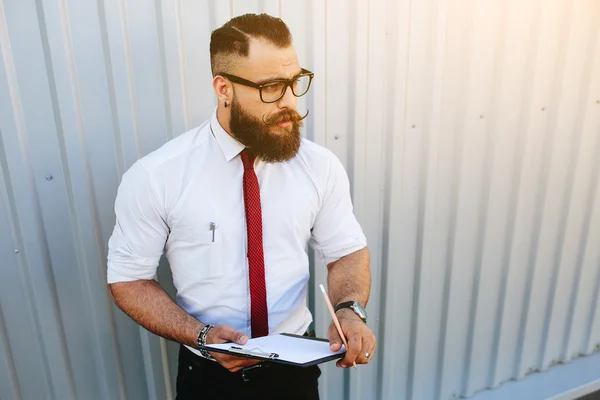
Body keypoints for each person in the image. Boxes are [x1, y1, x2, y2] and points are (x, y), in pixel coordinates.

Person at [107, 13, 376, 400]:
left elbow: (346, 250)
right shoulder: (157, 176)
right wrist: (200, 337)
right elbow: (129, 279)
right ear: (224, 89)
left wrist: (349, 310)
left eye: (295, 82)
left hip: (295, 374)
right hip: (208, 376)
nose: (289, 102)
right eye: (271, 87)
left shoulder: (318, 166)